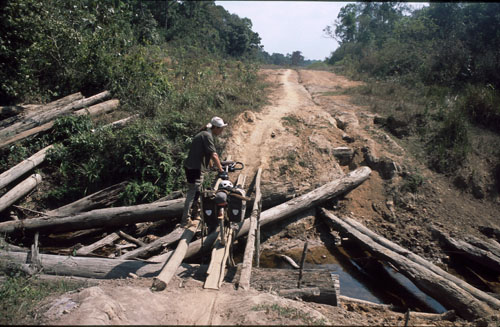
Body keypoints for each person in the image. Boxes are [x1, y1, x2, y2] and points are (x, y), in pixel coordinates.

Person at [180, 116, 227, 227]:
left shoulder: (204, 134)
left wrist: (212, 166)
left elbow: (206, 154)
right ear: (215, 127)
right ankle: (185, 220)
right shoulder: (207, 136)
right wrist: (221, 170)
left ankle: (195, 215)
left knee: (196, 192)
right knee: (192, 193)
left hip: (192, 167)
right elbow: (214, 154)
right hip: (195, 169)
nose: (222, 131)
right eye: (221, 129)